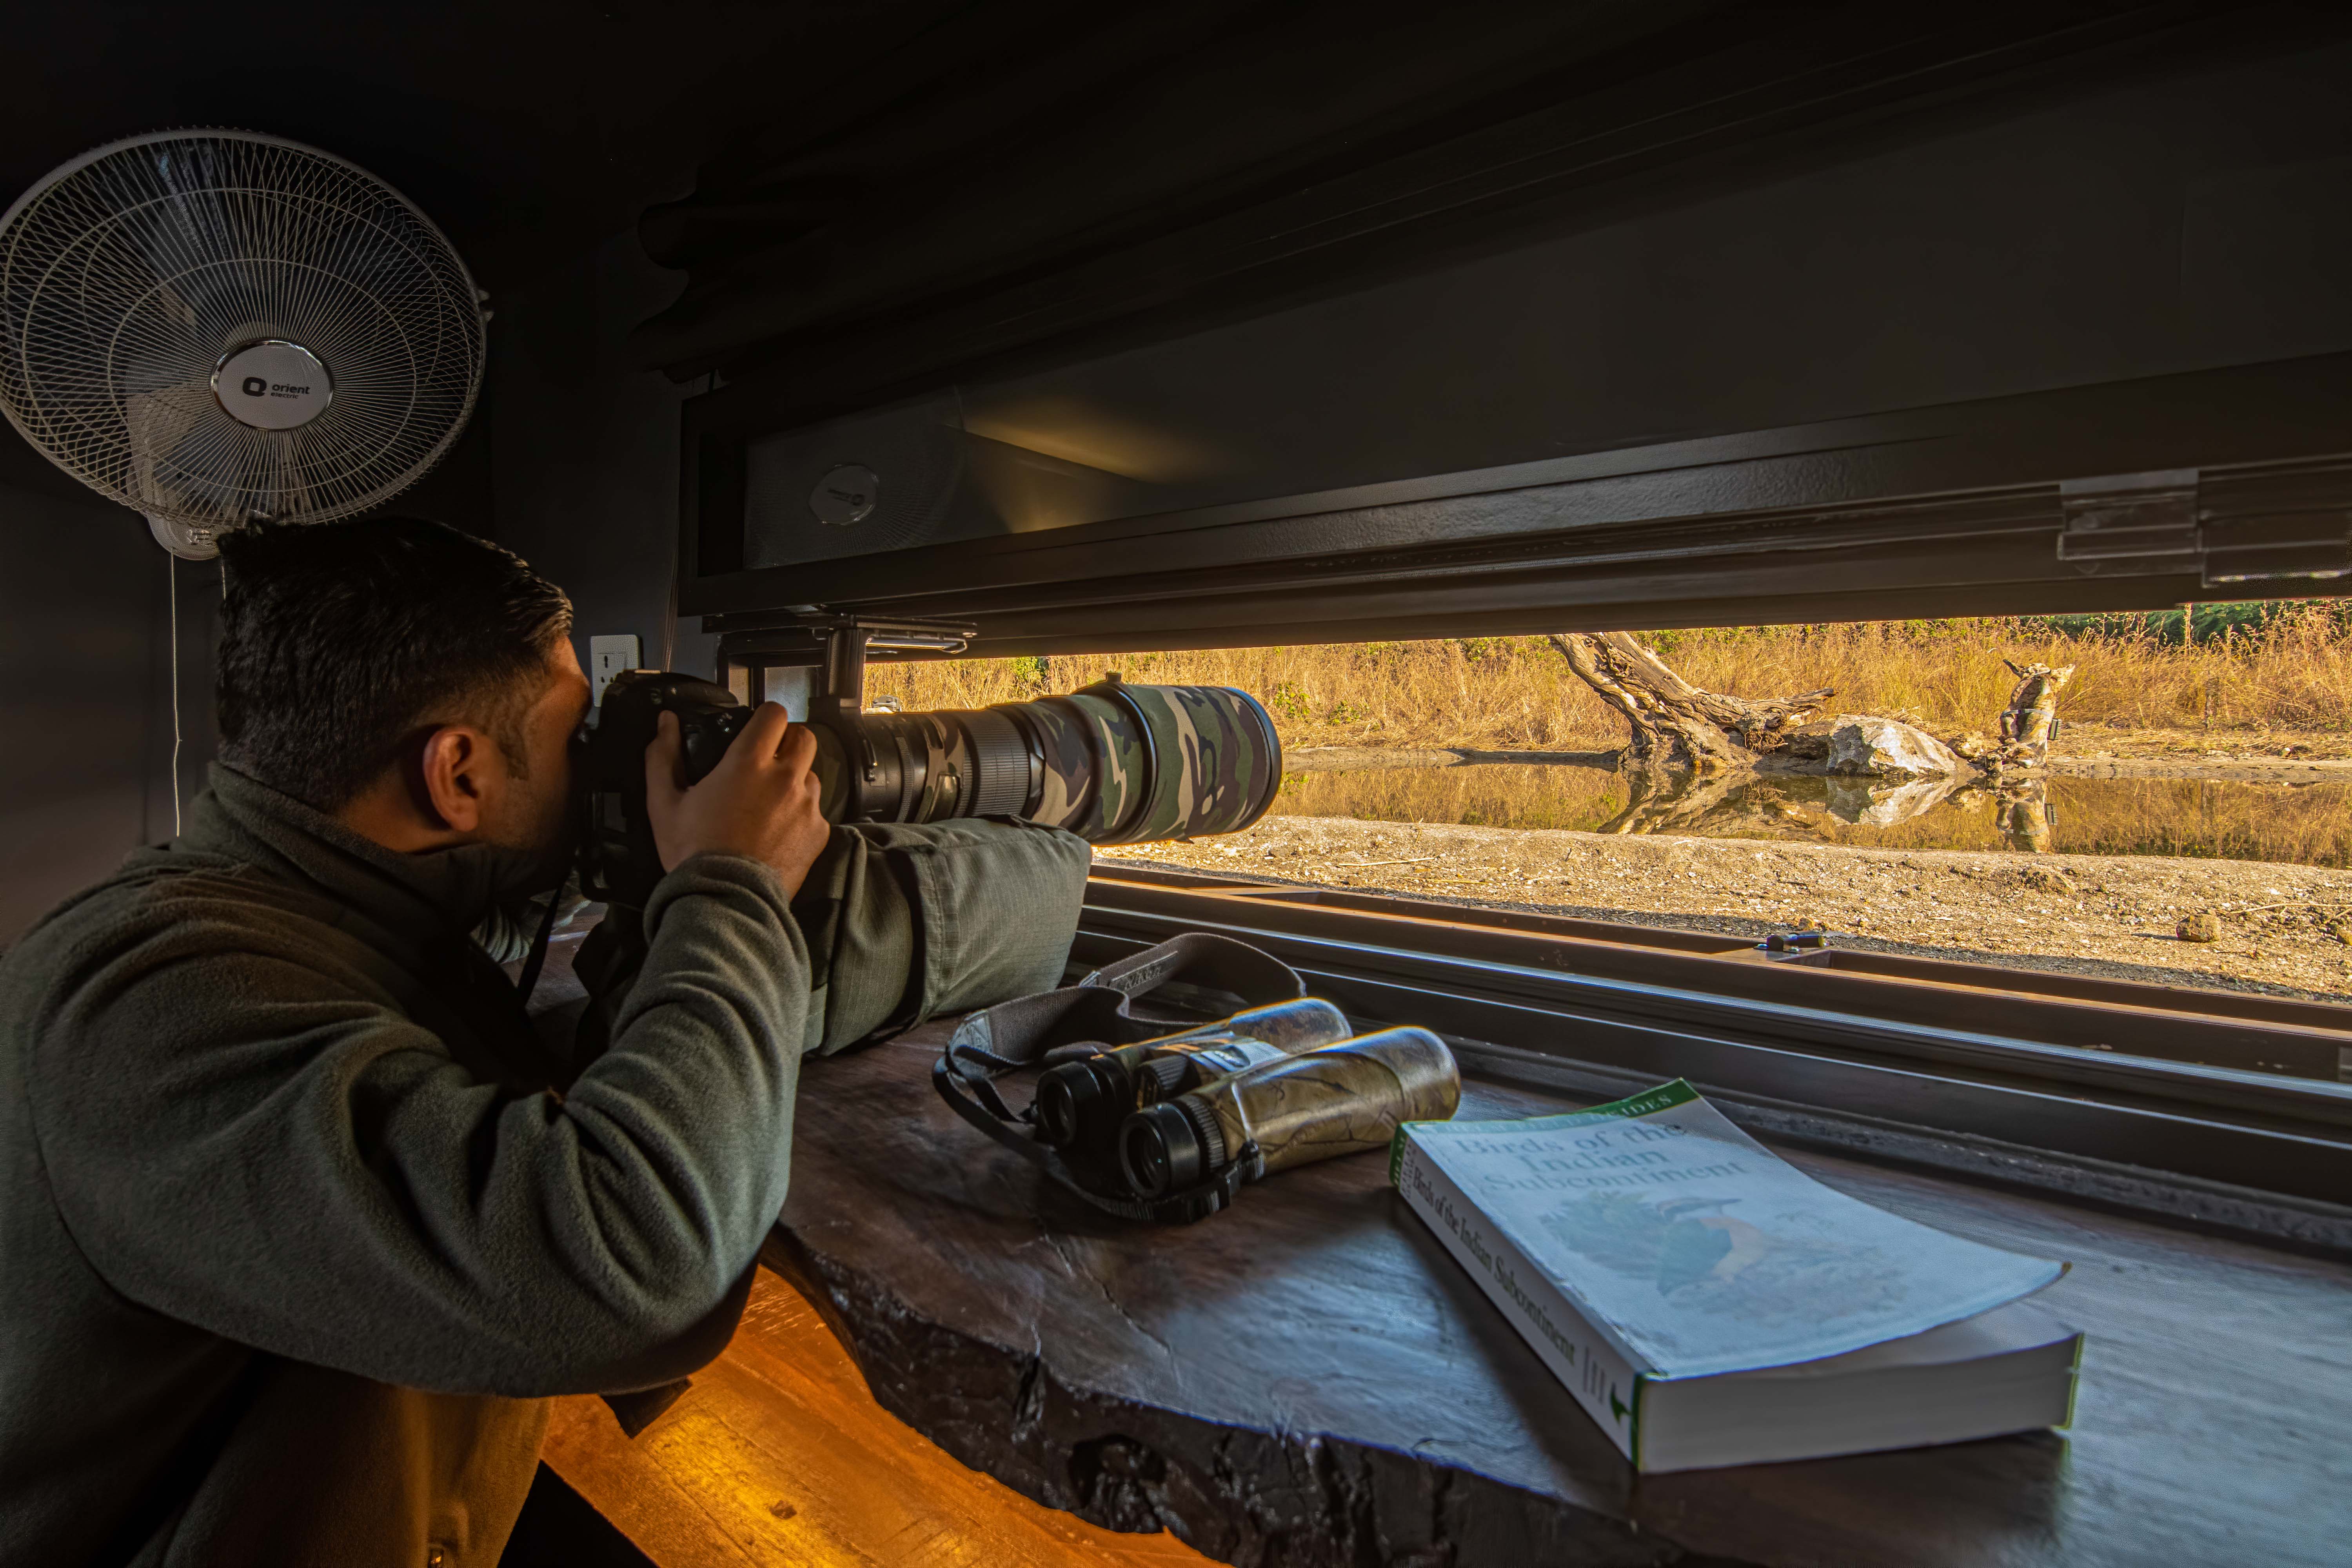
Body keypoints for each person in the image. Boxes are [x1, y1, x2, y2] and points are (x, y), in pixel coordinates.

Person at [0, 517, 1090, 1566]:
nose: (596, 767)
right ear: (459, 773)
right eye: (575, 737)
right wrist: (735, 887)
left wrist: (680, 893)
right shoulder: (154, 1006)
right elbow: (635, 1262)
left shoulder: (331, 921)